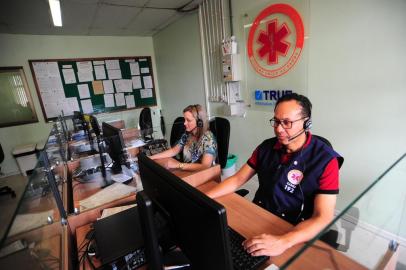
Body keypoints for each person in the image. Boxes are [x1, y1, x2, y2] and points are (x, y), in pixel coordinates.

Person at [206, 93, 344, 257]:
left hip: (292, 229)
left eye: (287, 122)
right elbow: (237, 179)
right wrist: (203, 198)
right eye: (276, 121)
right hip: (259, 214)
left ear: (307, 123)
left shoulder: (327, 160)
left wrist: (283, 241)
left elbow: (323, 217)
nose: (279, 129)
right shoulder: (267, 147)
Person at [150, 104, 217, 172]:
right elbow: (174, 150)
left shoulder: (208, 138)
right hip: (188, 171)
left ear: (199, 122)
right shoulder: (188, 134)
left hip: (203, 174)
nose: (184, 123)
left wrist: (178, 165)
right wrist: (151, 158)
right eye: (185, 119)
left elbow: (205, 166)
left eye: (188, 120)